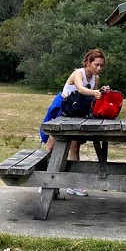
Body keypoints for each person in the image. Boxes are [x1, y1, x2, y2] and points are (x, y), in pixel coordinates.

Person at [40, 50, 110, 195]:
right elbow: (80, 89)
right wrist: (94, 92)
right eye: (96, 65)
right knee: (52, 146)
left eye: (101, 66)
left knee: (75, 146)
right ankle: (44, 182)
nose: (99, 68)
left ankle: (73, 184)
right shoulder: (78, 73)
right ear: (88, 62)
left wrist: (101, 91)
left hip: (76, 112)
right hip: (62, 109)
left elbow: (91, 96)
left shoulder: (95, 78)